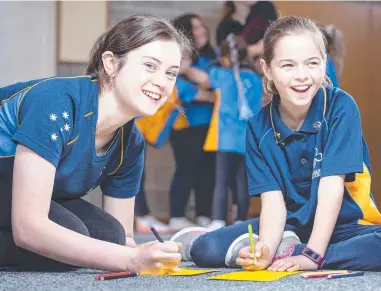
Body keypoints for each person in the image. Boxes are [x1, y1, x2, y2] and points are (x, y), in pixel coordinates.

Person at [171, 16, 381, 272]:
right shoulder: (258, 126)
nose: (301, 76)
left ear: (324, 64)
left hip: (346, 226)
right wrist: (267, 249)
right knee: (207, 250)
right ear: (267, 68)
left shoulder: (340, 106)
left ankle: (296, 251)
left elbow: (331, 189)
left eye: (312, 63)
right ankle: (282, 248)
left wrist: (313, 255)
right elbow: (273, 204)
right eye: (288, 65)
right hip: (287, 225)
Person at [0, 14, 191, 273]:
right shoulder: (58, 103)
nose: (162, 82)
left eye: (171, 73)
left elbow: (123, 237)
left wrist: (146, 254)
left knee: (108, 235)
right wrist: (129, 260)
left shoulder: (131, 140)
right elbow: (29, 227)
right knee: (62, 240)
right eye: (150, 66)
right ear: (111, 63)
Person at [203, 35, 263, 231]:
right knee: (242, 181)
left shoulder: (221, 75)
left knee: (221, 180)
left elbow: (207, 73)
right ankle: (240, 221)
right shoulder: (255, 78)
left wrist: (221, 60)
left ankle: (219, 219)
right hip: (247, 138)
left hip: (225, 138)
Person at [168, 14, 217, 231]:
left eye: (201, 26)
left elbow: (215, 83)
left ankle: (203, 214)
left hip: (211, 124)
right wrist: (204, 92)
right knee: (186, 168)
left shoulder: (211, 56)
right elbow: (177, 87)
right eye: (194, 27)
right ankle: (177, 215)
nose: (201, 31)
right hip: (185, 124)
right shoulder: (174, 58)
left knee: (208, 170)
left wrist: (205, 86)